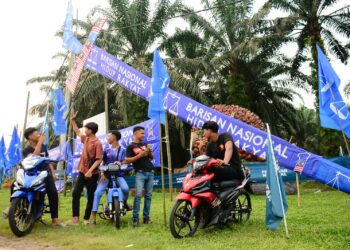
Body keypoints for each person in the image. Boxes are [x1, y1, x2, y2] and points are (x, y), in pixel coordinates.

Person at [22, 127, 63, 227]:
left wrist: (53, 173)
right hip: (33, 175)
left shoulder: (43, 147)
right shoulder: (26, 150)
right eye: (37, 134)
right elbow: (34, 158)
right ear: (30, 137)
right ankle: (21, 211)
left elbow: (48, 160)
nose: (39, 135)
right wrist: (39, 143)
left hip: (46, 174)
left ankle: (55, 219)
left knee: (53, 193)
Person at [90, 130, 132, 225]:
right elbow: (103, 163)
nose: (107, 138)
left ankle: (124, 203)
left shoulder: (123, 150)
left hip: (118, 175)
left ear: (114, 137)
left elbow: (126, 161)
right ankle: (93, 218)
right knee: (97, 193)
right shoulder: (106, 150)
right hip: (106, 176)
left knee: (125, 189)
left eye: (109, 136)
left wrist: (121, 163)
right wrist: (102, 174)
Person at [70, 111, 103, 225]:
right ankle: (75, 218)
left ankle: (86, 218)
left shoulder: (98, 143)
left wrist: (90, 171)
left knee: (91, 196)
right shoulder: (86, 139)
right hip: (82, 171)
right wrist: (72, 121)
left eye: (86, 129)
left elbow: (99, 159)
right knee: (75, 193)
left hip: (92, 174)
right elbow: (77, 131)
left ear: (91, 130)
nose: (84, 130)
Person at [124, 126, 154, 227]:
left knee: (148, 196)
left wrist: (149, 152)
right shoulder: (130, 146)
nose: (143, 135)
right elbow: (126, 160)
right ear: (135, 134)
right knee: (138, 195)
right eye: (142, 133)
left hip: (150, 172)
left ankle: (146, 218)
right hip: (140, 173)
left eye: (144, 133)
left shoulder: (145, 144)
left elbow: (151, 157)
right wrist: (138, 156)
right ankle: (135, 219)